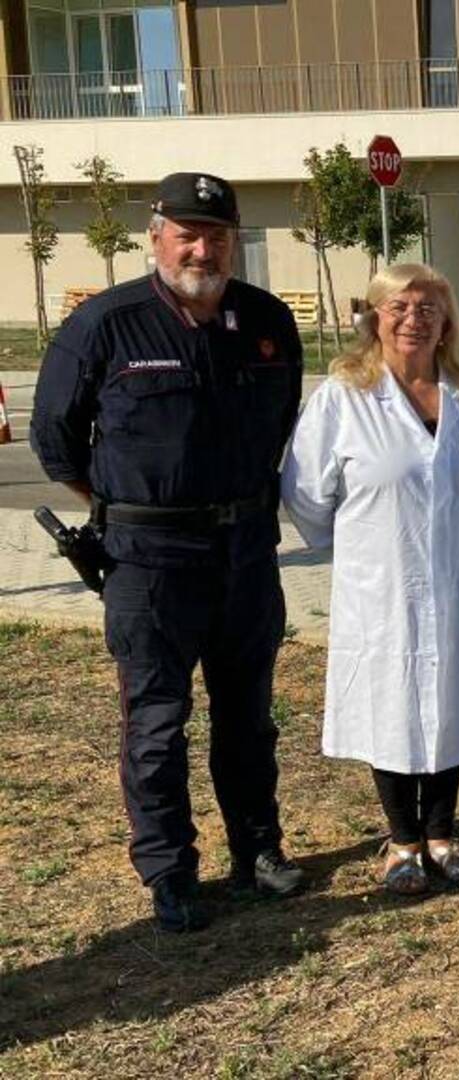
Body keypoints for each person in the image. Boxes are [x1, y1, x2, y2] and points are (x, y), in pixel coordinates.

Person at [29, 172, 305, 932]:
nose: (201, 247)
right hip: (150, 558)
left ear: (234, 241)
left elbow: (282, 422)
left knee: (248, 716)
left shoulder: (268, 319)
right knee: (156, 721)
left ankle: (258, 851)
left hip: (247, 550)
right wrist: (130, 507)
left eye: (215, 235)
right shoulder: (107, 325)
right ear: (156, 236)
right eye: (186, 232)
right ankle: (170, 871)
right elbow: (55, 441)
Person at [281, 263, 459, 896]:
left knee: (452, 698)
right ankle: (402, 841)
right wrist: (358, 550)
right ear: (375, 316)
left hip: (458, 577)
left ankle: (443, 836)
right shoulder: (344, 396)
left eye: (429, 307)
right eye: (400, 307)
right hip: (382, 584)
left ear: (447, 321)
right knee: (392, 705)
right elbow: (303, 493)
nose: (414, 319)